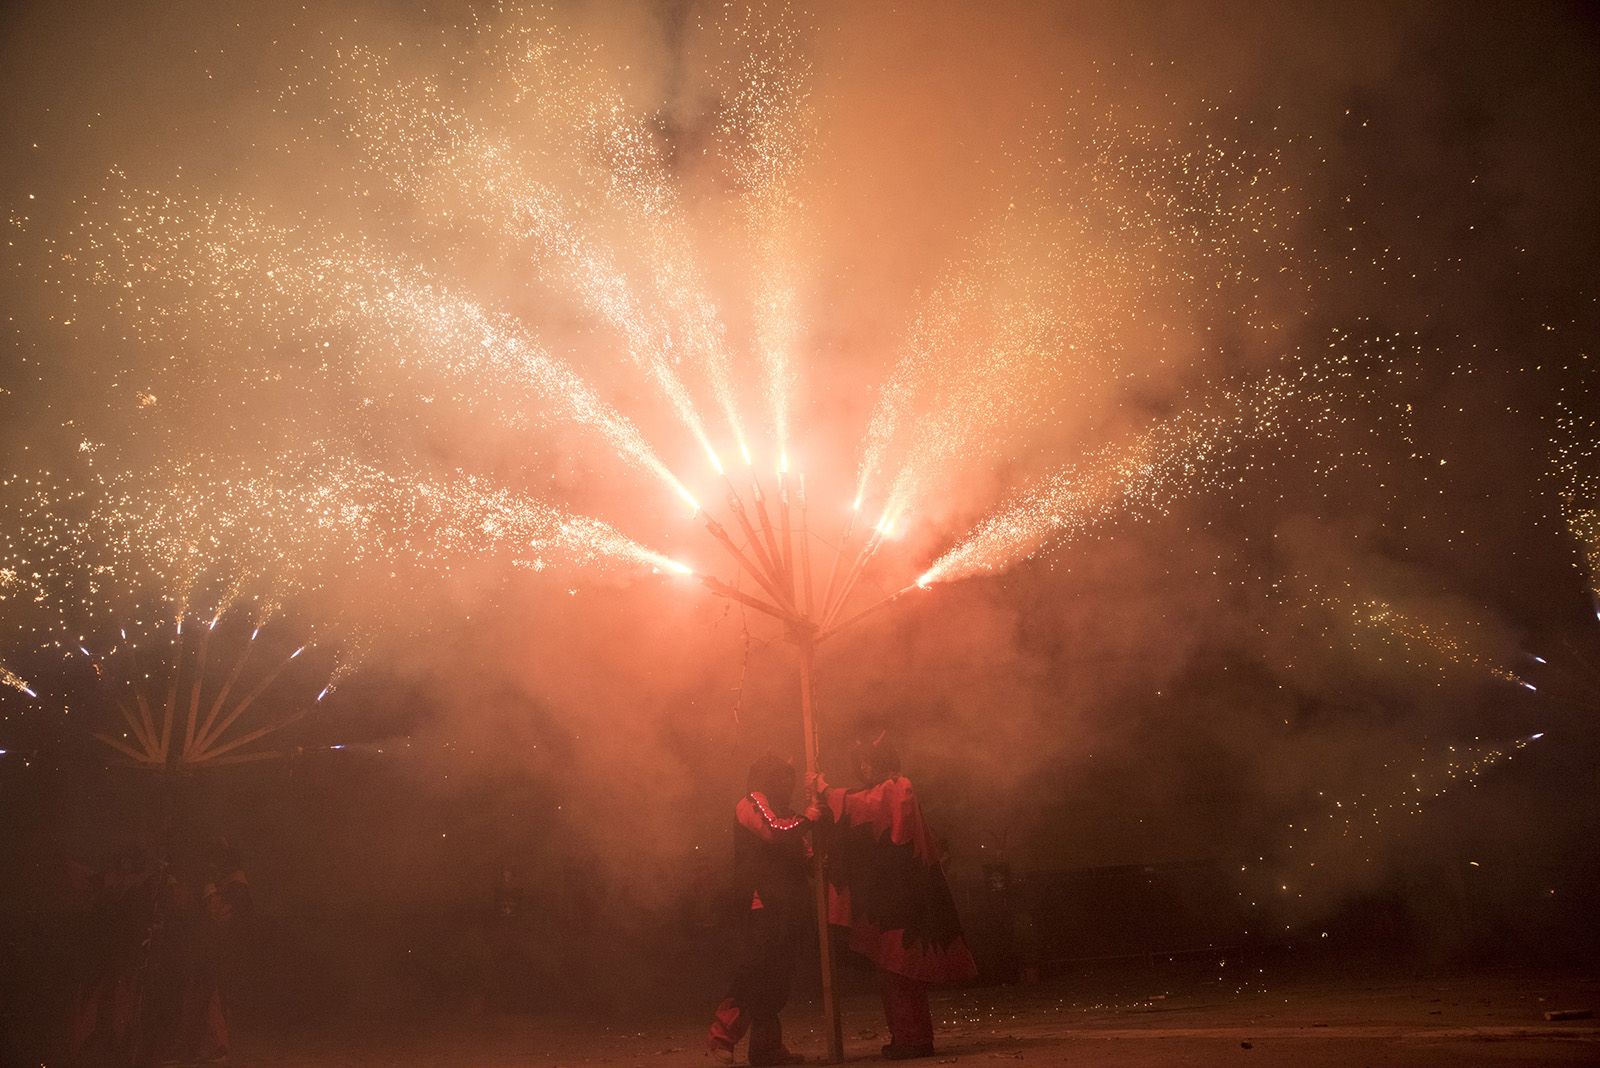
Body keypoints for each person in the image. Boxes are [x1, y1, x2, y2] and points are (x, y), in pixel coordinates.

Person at [811, 735, 976, 1060]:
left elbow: (867, 806)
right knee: (893, 971)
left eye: (865, 762)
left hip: (904, 898)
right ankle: (908, 1036)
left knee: (900, 971)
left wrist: (827, 791)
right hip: (891, 897)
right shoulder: (887, 788)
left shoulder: (899, 787)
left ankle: (913, 1039)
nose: (862, 769)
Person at [707, 752, 819, 1066]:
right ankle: (722, 1037)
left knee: (777, 981)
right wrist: (810, 819)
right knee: (756, 973)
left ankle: (766, 1049)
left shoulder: (791, 815)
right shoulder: (751, 802)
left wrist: (819, 840)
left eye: (789, 777)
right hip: (761, 902)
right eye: (781, 776)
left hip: (788, 907)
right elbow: (772, 831)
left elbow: (807, 857)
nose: (787, 783)